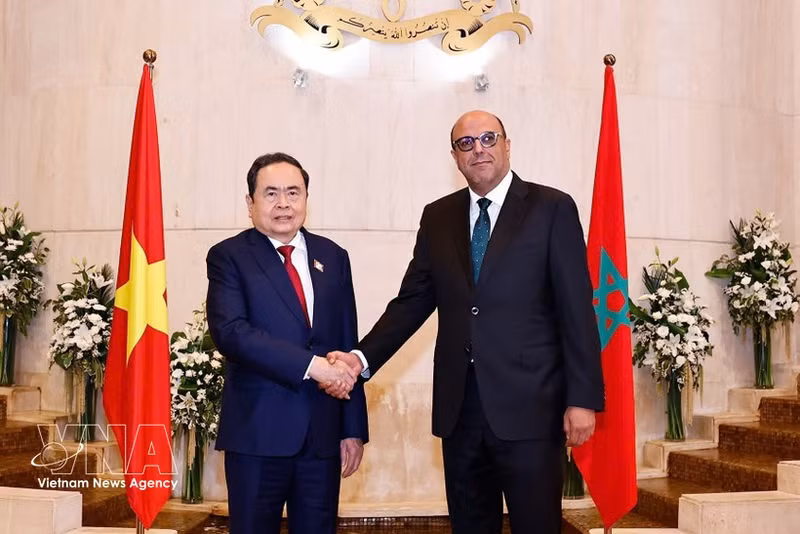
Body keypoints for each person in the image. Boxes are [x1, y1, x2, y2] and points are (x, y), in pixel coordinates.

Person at [326, 111, 604, 533]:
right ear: (454, 157)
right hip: (461, 413)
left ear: (507, 145)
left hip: (531, 409)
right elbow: (412, 301)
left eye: (488, 138)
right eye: (466, 143)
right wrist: (359, 358)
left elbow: (577, 308)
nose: (479, 149)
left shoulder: (552, 208)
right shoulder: (437, 216)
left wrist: (582, 397)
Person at [206, 152, 368, 534]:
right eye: (271, 193)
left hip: (322, 439)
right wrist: (314, 367)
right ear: (250, 204)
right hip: (258, 436)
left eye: (293, 193)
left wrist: (353, 428)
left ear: (306, 199)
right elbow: (231, 333)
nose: (284, 204)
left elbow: (348, 340)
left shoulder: (333, 256)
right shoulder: (229, 257)